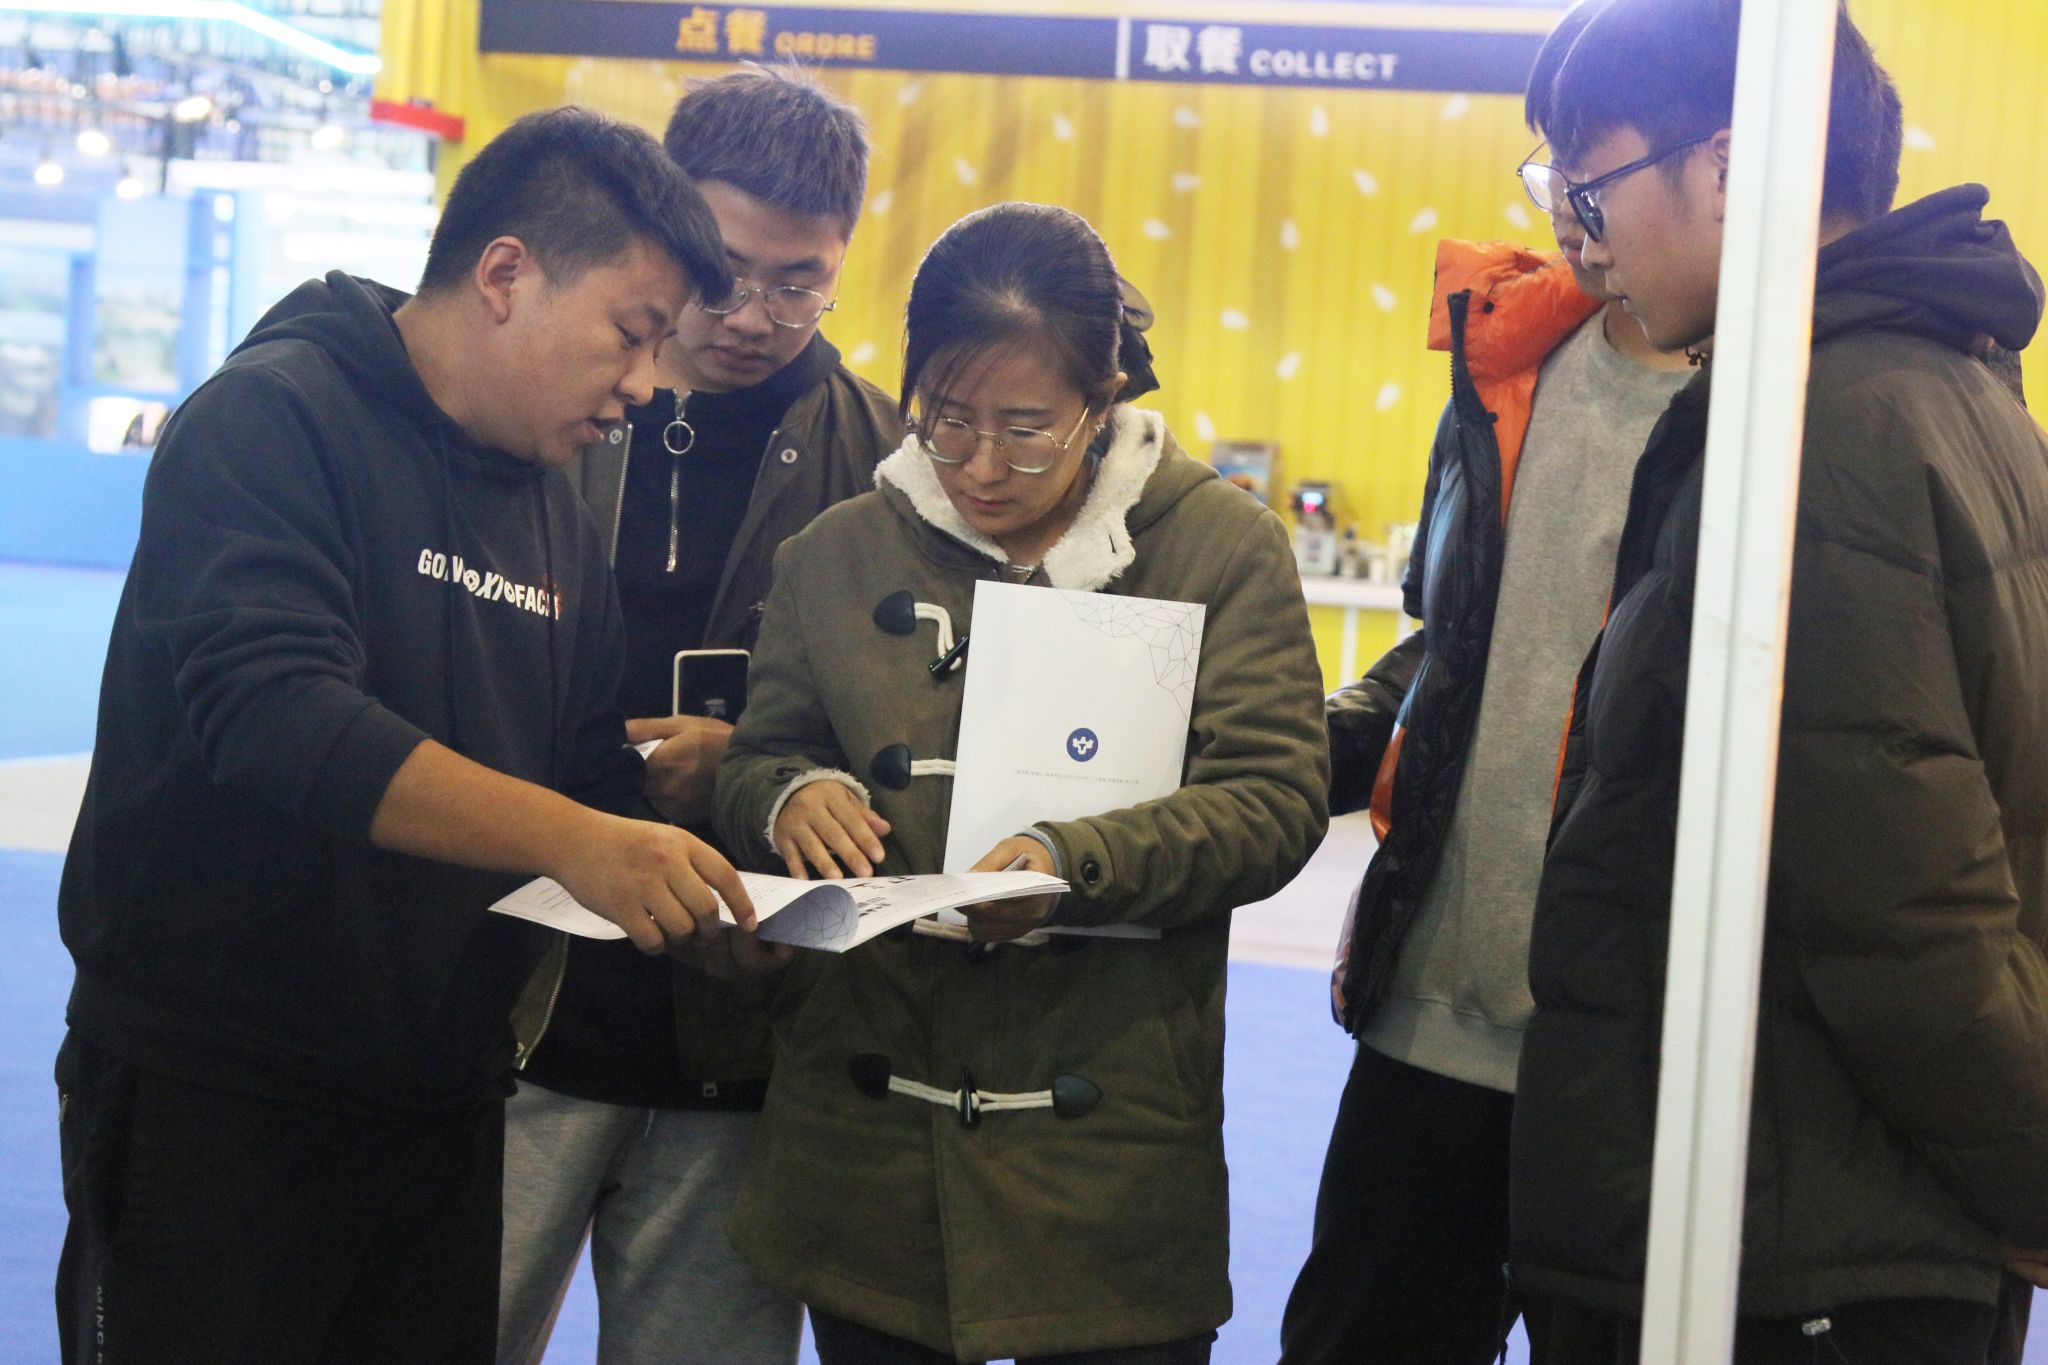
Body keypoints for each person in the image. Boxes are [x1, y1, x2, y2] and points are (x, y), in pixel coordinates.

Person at [52, 106, 757, 1365]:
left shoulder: (554, 505)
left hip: (442, 1106)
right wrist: (577, 838)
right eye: (631, 332)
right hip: (218, 1101)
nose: (646, 386)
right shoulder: (271, 419)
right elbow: (273, 713)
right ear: (506, 275)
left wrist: (711, 897)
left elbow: (583, 767)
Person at [1510, 1, 2048, 1361]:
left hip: (1790, 1237)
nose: (1582, 239)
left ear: (1731, 166)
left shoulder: (1819, 429)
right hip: (1840, 1208)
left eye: (1592, 187)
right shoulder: (1941, 381)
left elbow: (1903, 913)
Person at [713, 203, 1330, 1363]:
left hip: (1105, 1141)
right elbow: (755, 759)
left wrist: (1071, 863)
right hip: (866, 1139)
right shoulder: (836, 551)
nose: (983, 468)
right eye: (947, 422)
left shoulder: (1217, 546)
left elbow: (1273, 799)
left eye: (1028, 431)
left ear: (1103, 401)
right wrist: (786, 797)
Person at [1277, 5, 1696, 1360]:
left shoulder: (1801, 410)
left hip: (1648, 1058)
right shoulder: (1508, 361)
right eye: (1549, 168)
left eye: (1596, 172)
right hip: (1432, 1015)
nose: (1569, 211)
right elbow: (1455, 643)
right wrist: (1288, 749)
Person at [497, 67, 902, 1365]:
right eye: (724, 273)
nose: (752, 317)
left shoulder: (889, 464)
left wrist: (759, 770)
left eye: (799, 284)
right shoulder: (534, 412)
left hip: (745, 1028)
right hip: (515, 1000)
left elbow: (917, 743)